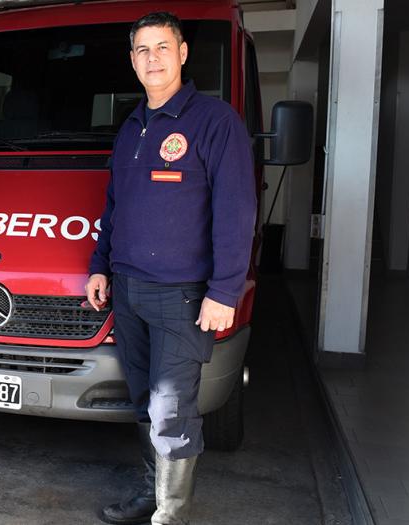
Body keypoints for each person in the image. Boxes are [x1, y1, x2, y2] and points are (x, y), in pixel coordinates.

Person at [85, 12, 256, 525]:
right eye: (142, 50)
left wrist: (224, 291)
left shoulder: (215, 121)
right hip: (129, 291)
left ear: (182, 54)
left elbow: (236, 211)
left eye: (163, 47)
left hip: (183, 295)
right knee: (142, 401)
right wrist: (100, 266)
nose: (152, 58)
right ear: (132, 60)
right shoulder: (132, 126)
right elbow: (115, 207)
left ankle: (172, 515)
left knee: (171, 410)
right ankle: (151, 495)